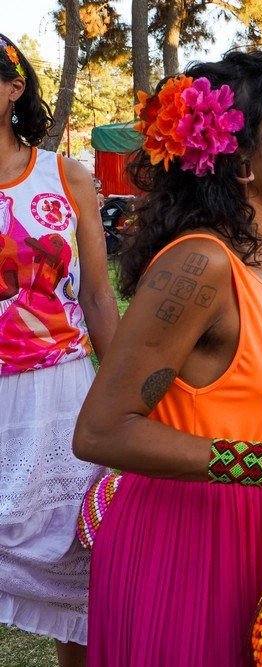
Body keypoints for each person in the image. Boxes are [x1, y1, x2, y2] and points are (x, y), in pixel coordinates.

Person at [73, 51, 262, 665]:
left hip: (242, 525)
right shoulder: (201, 264)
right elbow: (100, 431)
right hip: (175, 541)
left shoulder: (256, 263)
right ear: (240, 163)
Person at [0, 33, 119, 667]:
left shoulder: (65, 175)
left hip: (59, 394)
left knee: (77, 566)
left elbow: (98, 295)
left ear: (13, 87)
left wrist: (130, 399)